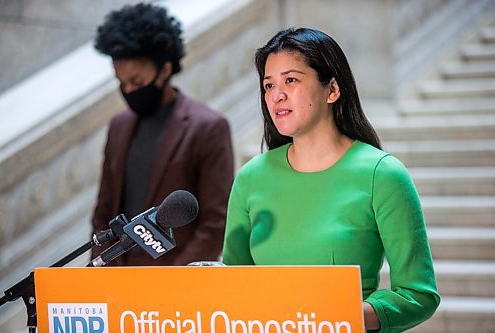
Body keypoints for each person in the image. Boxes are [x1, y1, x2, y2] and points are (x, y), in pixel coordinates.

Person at [222, 27, 440, 332]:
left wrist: (338, 317)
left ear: (332, 90)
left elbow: (418, 294)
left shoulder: (383, 175)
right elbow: (233, 283)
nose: (277, 95)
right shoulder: (250, 178)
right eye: (268, 85)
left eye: (291, 80)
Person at [90, 3, 234, 266]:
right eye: (121, 83)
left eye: (137, 82)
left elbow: (216, 222)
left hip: (175, 290)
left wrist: (170, 286)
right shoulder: (118, 126)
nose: (128, 90)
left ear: (165, 70)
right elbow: (103, 212)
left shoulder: (209, 127)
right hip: (117, 282)